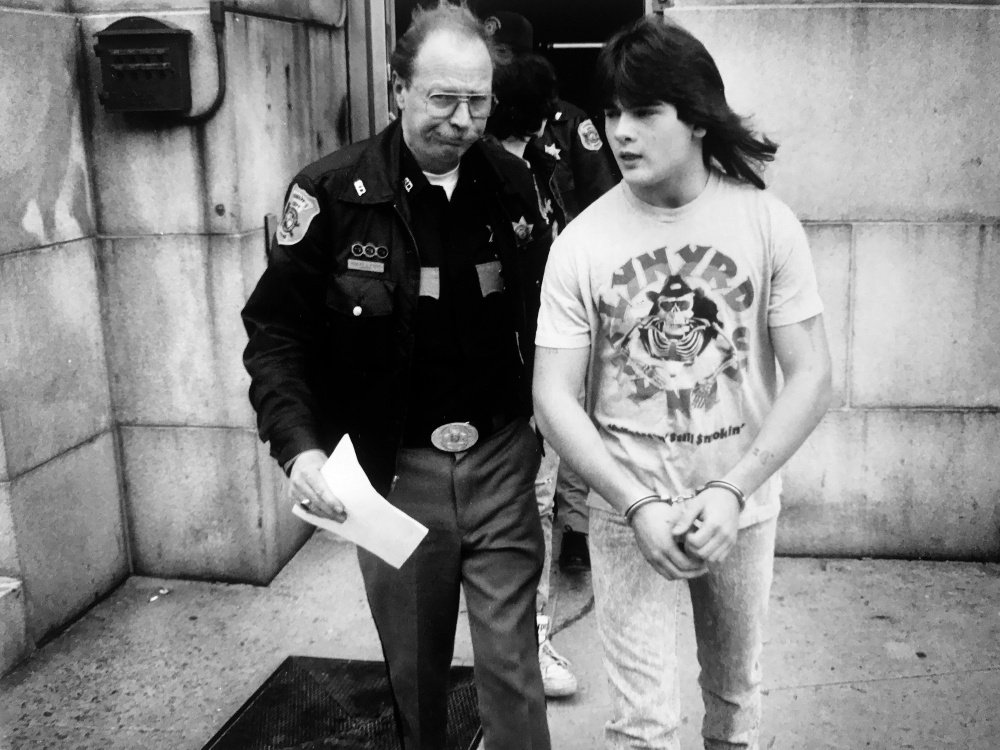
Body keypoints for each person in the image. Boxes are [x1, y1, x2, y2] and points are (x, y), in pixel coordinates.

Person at [241, 4, 551, 749]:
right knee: (415, 672)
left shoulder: (513, 184)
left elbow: (550, 315)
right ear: (397, 89)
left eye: (478, 101)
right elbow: (276, 331)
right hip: (393, 476)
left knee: (512, 668)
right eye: (443, 98)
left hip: (502, 461)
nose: (463, 120)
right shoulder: (331, 195)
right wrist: (299, 447)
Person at [533, 15, 832, 750]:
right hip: (624, 509)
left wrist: (734, 490)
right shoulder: (584, 241)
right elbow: (551, 394)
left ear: (695, 118)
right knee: (642, 728)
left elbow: (813, 373)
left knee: (735, 703)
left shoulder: (766, 224)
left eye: (643, 112)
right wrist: (632, 502)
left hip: (740, 506)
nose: (620, 132)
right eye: (610, 113)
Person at [484, 45, 580, 699]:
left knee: (541, 502)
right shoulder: (473, 177)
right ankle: (523, 637)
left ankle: (532, 634)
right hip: (496, 379)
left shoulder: (548, 169)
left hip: (544, 366)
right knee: (525, 506)